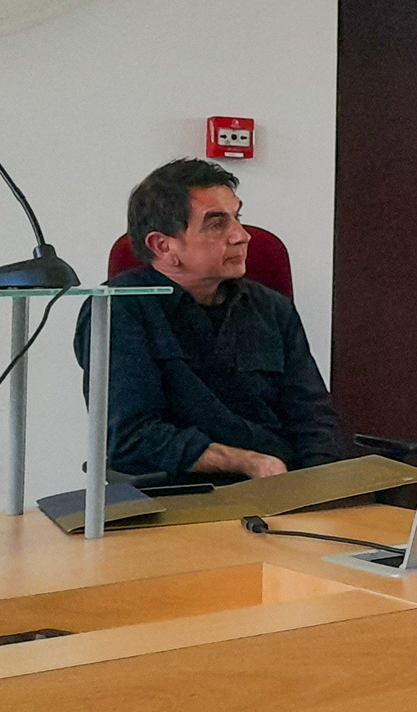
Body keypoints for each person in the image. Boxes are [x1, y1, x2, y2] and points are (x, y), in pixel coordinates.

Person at [74, 159, 342, 480]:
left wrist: (320, 487)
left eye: (237, 217)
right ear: (164, 246)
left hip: (281, 486)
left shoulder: (272, 307)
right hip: (185, 495)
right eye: (217, 224)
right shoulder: (119, 309)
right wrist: (248, 462)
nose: (242, 236)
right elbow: (132, 438)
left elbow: (313, 416)